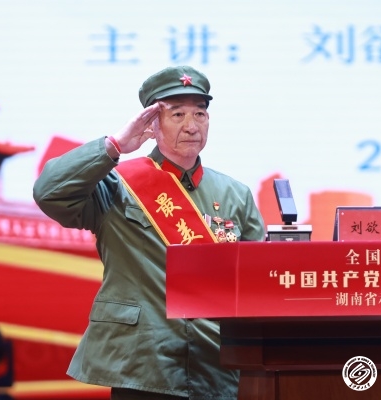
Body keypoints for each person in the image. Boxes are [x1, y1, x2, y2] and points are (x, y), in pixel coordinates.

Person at [33, 65, 266, 400]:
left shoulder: (235, 193)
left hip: (215, 368)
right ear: (152, 124)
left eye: (200, 114)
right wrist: (114, 145)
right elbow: (49, 192)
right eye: (178, 114)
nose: (191, 126)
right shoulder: (116, 184)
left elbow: (257, 282)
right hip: (141, 366)